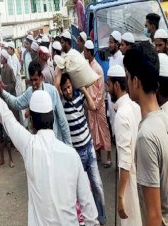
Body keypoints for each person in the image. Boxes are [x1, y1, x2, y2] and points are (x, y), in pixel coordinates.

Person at [0, 68, 99, 225]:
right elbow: (89, 212)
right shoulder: (72, 156)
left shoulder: (29, 146)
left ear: (33, 123)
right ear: (52, 116)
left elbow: (3, 111)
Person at [124, 42, 168, 225]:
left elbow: (154, 215)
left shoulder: (146, 137)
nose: (126, 83)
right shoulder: (164, 117)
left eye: (127, 77)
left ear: (135, 81)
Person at [59, 73, 107, 225]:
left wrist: (83, 89)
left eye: (69, 87)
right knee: (79, 191)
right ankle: (84, 220)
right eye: (64, 88)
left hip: (89, 148)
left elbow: (93, 107)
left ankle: (101, 219)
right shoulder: (61, 104)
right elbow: (55, 88)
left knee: (97, 185)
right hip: (76, 154)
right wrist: (60, 71)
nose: (68, 91)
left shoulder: (79, 97)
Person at [0, 61, 72, 145]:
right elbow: (16, 103)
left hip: (55, 141)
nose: (33, 83)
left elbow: (62, 120)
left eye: (36, 80)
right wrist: (2, 91)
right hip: (39, 144)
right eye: (31, 80)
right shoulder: (29, 92)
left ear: (41, 77)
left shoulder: (52, 91)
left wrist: (68, 145)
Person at [106, 65, 142, 226]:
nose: (107, 90)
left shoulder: (121, 115)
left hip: (130, 183)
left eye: (108, 85)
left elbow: (125, 160)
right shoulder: (135, 106)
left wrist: (120, 196)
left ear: (116, 86)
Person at [84, 40, 112, 168]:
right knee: (93, 129)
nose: (84, 53)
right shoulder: (87, 66)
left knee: (103, 129)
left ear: (89, 52)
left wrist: (96, 103)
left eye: (85, 51)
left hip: (98, 105)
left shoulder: (98, 69)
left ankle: (109, 157)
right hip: (91, 104)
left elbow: (101, 89)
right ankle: (99, 155)